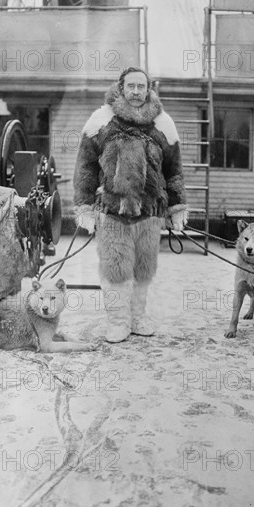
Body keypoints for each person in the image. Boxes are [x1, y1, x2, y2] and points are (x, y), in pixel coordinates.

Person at [73, 67, 187, 343]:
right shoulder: (102, 120)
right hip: (112, 213)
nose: (136, 92)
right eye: (131, 86)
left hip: (150, 214)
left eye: (141, 86)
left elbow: (174, 171)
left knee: (144, 269)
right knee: (115, 269)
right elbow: (85, 168)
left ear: (149, 90)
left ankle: (137, 317)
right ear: (121, 88)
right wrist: (84, 206)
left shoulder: (163, 124)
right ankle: (118, 322)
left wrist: (177, 207)